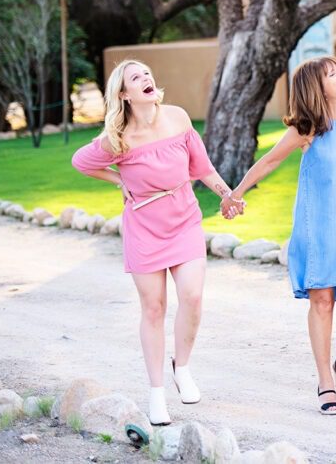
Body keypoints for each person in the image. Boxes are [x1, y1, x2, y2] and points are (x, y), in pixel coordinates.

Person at [71, 60, 242, 425]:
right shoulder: (117, 137)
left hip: (184, 219)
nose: (146, 78)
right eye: (136, 77)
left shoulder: (178, 118)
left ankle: (182, 366)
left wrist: (227, 194)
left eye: (147, 73)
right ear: (124, 94)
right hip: (144, 229)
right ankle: (156, 394)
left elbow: (202, 168)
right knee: (153, 308)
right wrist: (119, 180)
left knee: (193, 297)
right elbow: (81, 162)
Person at [221, 56, 336, 415]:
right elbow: (269, 162)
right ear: (316, 87)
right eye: (331, 74)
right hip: (318, 228)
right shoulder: (307, 129)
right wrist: (236, 192)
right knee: (322, 301)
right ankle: (326, 381)